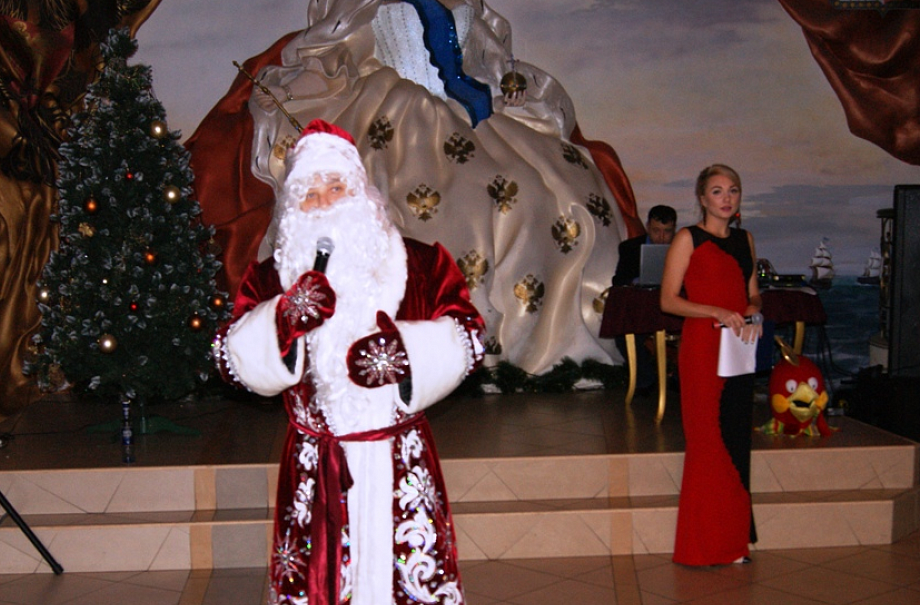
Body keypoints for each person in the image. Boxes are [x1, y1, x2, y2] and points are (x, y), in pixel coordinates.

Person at [187, 0, 645, 374]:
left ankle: (542, 346)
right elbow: (331, 53)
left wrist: (509, 85)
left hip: (477, 118)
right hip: (398, 116)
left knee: (541, 191)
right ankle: (433, 348)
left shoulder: (471, 7)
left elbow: (486, 64)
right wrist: (299, 83)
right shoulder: (364, 5)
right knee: (438, 203)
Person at [213, 119, 483, 605]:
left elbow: (469, 335)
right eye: (308, 193)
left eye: (334, 187)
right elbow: (228, 358)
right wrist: (281, 322)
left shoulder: (420, 262)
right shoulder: (270, 277)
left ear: (361, 192)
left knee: (407, 576)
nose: (322, 203)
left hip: (399, 459)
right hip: (317, 463)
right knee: (317, 582)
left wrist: (405, 356)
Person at [659, 165, 762, 566]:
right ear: (702, 198)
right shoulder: (687, 238)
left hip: (738, 347)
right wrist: (715, 310)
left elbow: (753, 294)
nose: (726, 198)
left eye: (733, 190)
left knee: (735, 443)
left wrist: (751, 310)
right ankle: (701, 547)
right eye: (717, 191)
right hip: (703, 349)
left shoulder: (745, 239)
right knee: (708, 444)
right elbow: (668, 301)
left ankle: (733, 544)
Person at [611, 205, 678, 390]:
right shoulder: (630, 248)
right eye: (656, 231)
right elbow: (618, 279)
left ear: (675, 230)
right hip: (642, 308)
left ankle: (680, 379)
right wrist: (637, 280)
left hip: (676, 308)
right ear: (648, 227)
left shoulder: (684, 246)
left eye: (667, 232)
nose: (662, 237)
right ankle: (645, 379)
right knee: (623, 332)